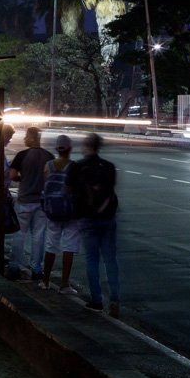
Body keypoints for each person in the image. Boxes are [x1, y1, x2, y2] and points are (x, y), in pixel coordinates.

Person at [67, 132, 120, 313]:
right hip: (107, 217)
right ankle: (115, 300)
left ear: (86, 146)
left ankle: (96, 299)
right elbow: (111, 190)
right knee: (110, 259)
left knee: (92, 259)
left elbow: (69, 190)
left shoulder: (78, 167)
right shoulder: (109, 167)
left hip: (87, 218)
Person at [7, 126, 55, 282]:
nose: (24, 139)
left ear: (31, 137)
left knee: (19, 235)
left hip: (24, 201)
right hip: (41, 202)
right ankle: (36, 269)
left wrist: (23, 180)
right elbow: (51, 179)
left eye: (26, 136)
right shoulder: (49, 156)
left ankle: (14, 267)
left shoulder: (22, 155)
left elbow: (12, 175)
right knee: (39, 236)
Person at [39, 135, 81, 294]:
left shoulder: (48, 166)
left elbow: (45, 187)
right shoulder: (74, 166)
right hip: (70, 213)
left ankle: (45, 281)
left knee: (51, 245)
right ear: (70, 149)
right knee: (69, 247)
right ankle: (64, 284)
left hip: (52, 212)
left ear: (56, 149)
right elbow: (76, 189)